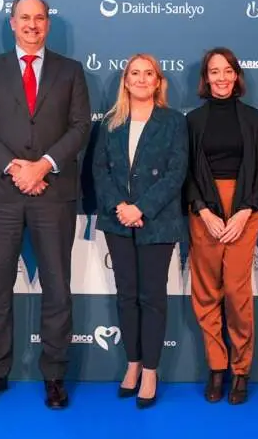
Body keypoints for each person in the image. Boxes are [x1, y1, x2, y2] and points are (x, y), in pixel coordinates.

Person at [0, 0, 91, 410]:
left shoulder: (71, 72)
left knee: (57, 288)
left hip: (53, 194)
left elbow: (79, 127)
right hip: (0, 194)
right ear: (12, 22)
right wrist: (16, 167)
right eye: (25, 18)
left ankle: (55, 375)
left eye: (39, 18)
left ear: (48, 25)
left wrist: (44, 166)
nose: (32, 25)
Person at [91, 54, 187, 409]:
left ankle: (150, 370)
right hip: (118, 221)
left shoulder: (174, 122)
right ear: (126, 81)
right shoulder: (109, 123)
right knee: (126, 295)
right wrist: (121, 207)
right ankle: (132, 364)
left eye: (149, 74)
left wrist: (141, 208)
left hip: (157, 221)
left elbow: (177, 172)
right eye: (136, 73)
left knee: (152, 298)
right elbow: (99, 171)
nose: (143, 79)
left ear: (158, 82)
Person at [184, 47, 258, 405]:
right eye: (214, 72)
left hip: (243, 211)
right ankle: (217, 367)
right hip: (204, 209)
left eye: (227, 71)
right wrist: (203, 211)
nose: (221, 78)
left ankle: (241, 370)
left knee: (236, 293)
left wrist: (244, 211)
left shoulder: (253, 119)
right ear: (206, 78)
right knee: (206, 293)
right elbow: (186, 171)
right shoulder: (193, 120)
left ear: (236, 76)